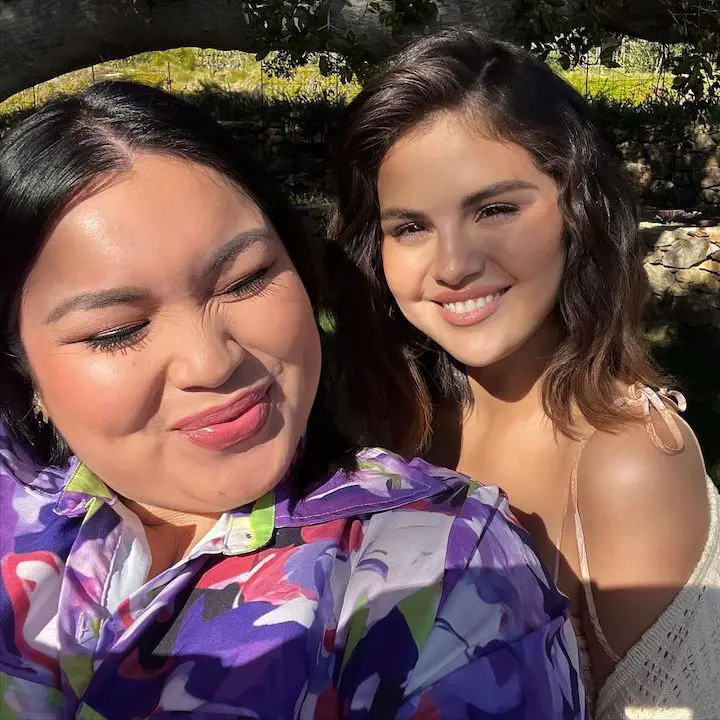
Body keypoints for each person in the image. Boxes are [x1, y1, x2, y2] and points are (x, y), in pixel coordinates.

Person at [0, 82, 585, 719]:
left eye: (246, 279)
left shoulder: (436, 574)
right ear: (22, 365)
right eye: (117, 330)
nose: (212, 361)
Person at [329, 26, 720, 718]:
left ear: (577, 210)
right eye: (411, 227)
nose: (452, 265)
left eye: (495, 209)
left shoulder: (625, 463)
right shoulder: (394, 422)